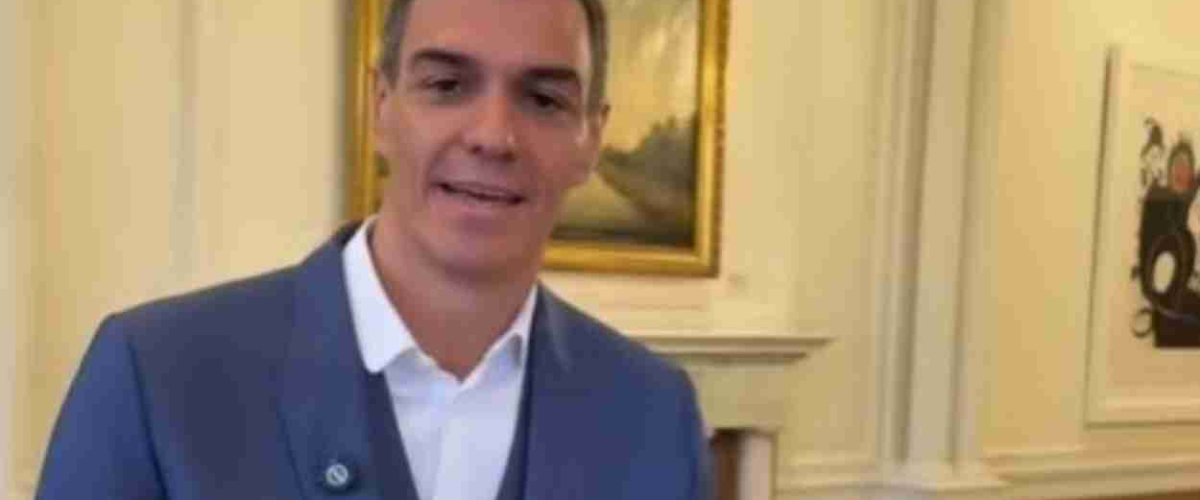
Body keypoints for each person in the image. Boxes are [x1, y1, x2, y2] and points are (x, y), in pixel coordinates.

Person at [33, 0, 713, 498]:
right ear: (381, 106)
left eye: (543, 100)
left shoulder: (653, 416)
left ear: (591, 138)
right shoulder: (158, 377)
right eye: (447, 86)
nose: (492, 135)